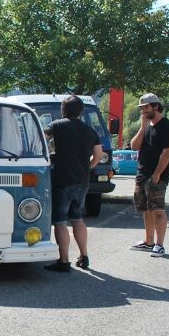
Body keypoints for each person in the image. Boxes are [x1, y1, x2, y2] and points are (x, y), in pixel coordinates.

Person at [43, 95, 103, 272]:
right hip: (82, 181)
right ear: (81, 111)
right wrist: (87, 167)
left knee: (60, 222)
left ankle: (63, 261)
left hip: (63, 180)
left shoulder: (56, 126)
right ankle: (84, 256)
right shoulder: (90, 131)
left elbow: (41, 140)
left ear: (63, 109)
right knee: (78, 218)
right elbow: (98, 155)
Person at [129, 93, 169, 257]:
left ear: (156, 106)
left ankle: (159, 245)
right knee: (146, 209)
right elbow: (134, 146)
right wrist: (143, 127)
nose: (143, 111)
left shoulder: (167, 126)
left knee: (158, 209)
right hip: (142, 174)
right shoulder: (147, 126)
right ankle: (148, 242)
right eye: (142, 108)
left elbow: (168, 152)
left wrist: (157, 174)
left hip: (156, 176)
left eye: (146, 107)